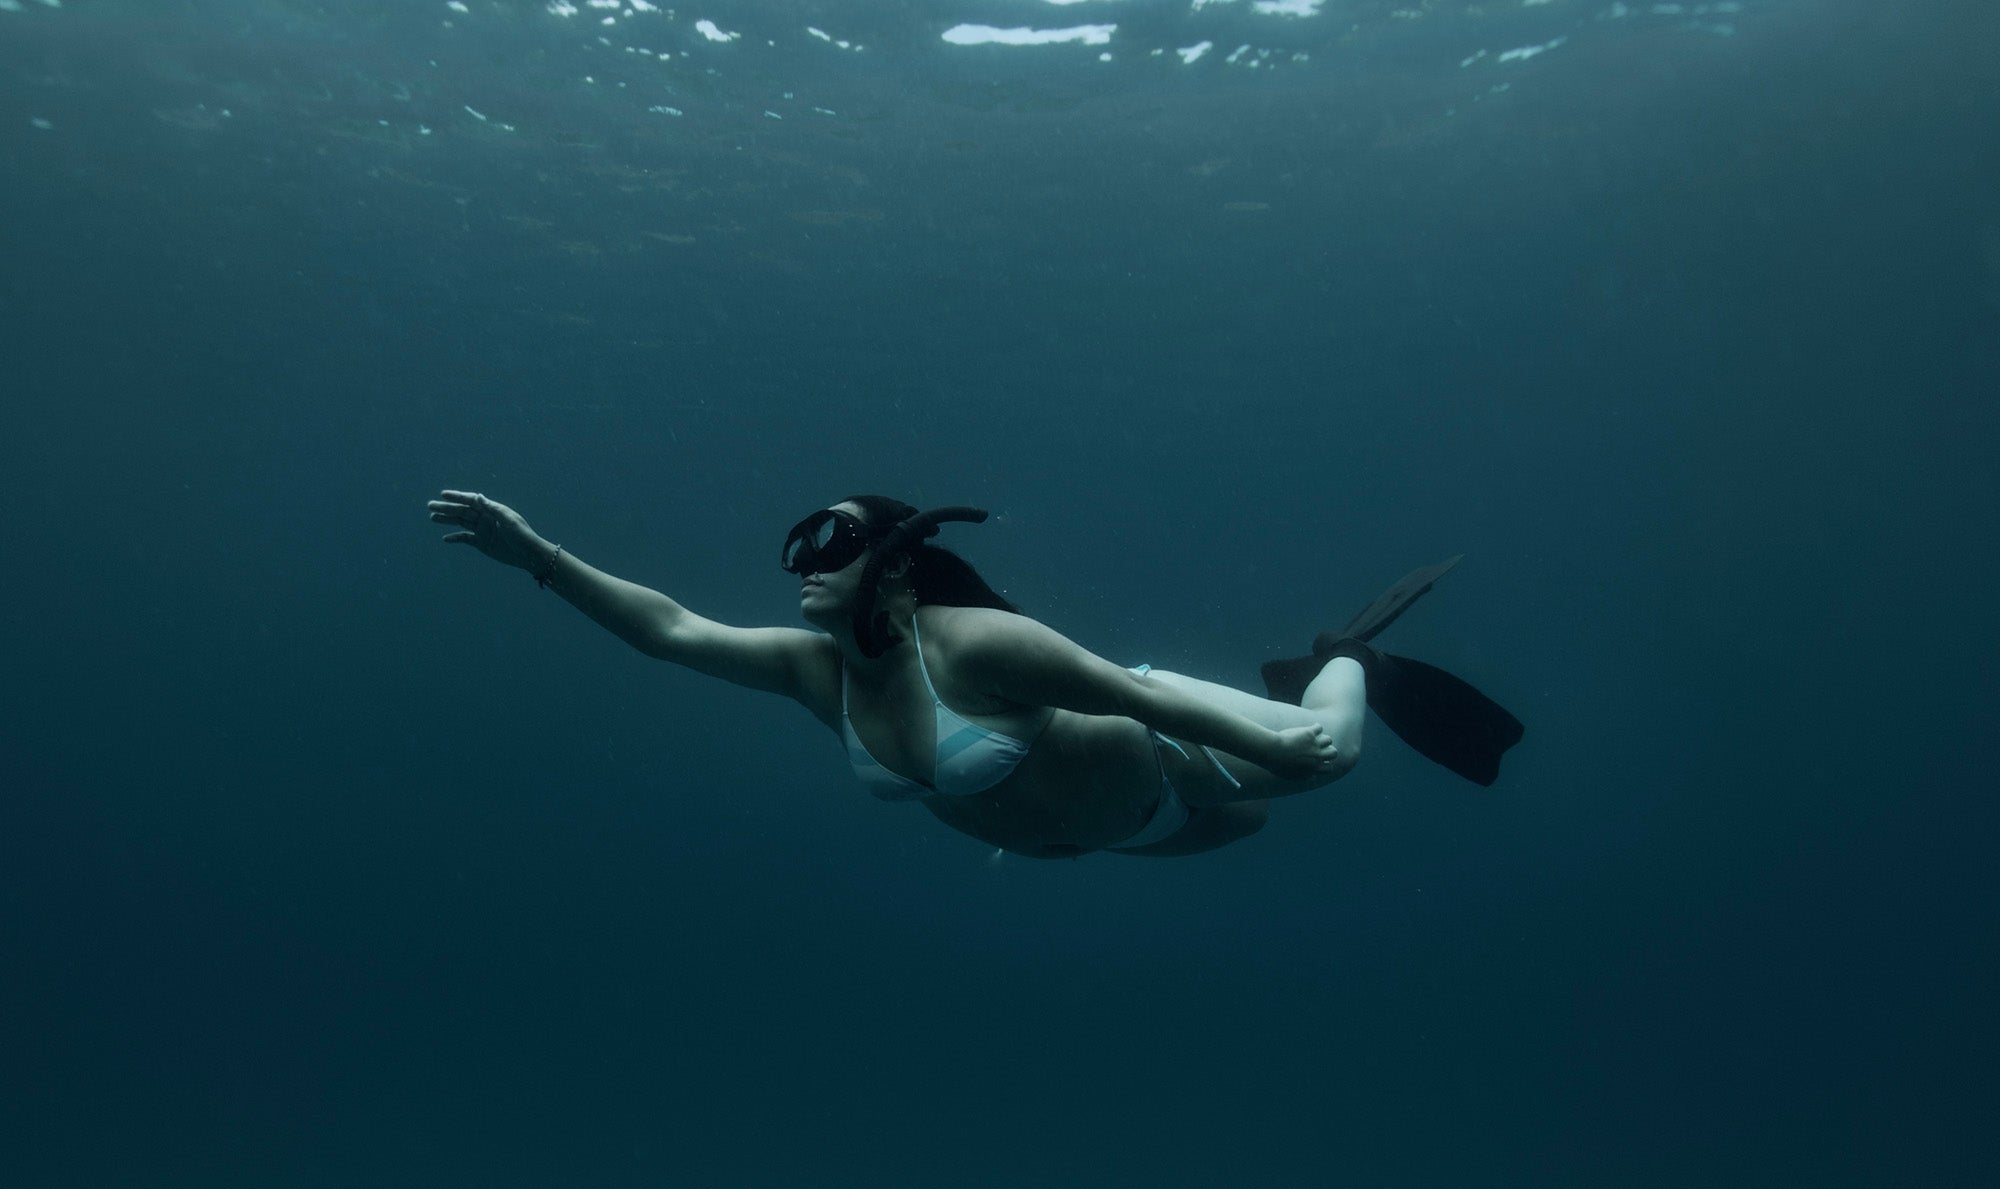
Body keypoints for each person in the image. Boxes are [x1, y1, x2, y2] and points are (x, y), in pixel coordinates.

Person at [426, 490, 1521, 860]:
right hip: (1112, 839)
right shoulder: (812, 671)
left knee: (1322, 757)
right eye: (800, 545)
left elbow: (1140, 698)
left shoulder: (979, 643)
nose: (806, 563)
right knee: (1246, 832)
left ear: (897, 566)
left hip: (1163, 756)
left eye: (833, 540)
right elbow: (669, 629)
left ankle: (1342, 660)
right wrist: (540, 558)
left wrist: (1287, 744)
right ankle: (1285, 720)